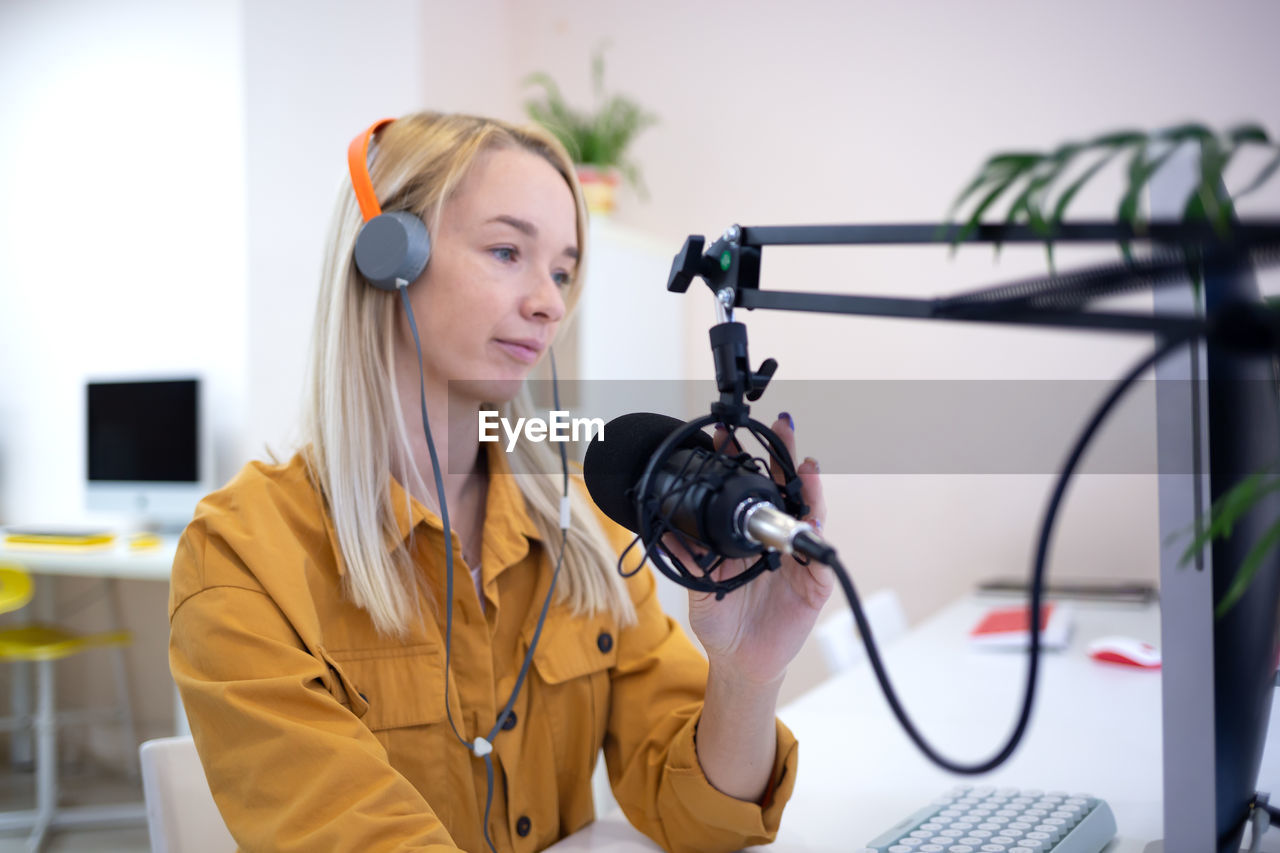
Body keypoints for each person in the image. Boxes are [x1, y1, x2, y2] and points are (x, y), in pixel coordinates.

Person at [168, 110, 831, 853]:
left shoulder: (589, 517)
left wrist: (745, 675)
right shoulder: (243, 559)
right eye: (508, 250)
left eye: (561, 270)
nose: (550, 301)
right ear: (390, 257)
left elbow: (697, 817)